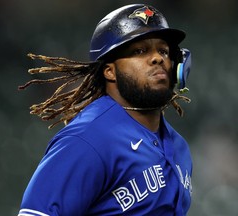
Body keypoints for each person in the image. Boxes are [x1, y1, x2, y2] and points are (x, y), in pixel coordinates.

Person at [18, 3, 193, 216]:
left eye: (164, 51)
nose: (158, 58)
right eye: (140, 50)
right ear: (110, 71)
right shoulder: (87, 139)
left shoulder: (179, 147)